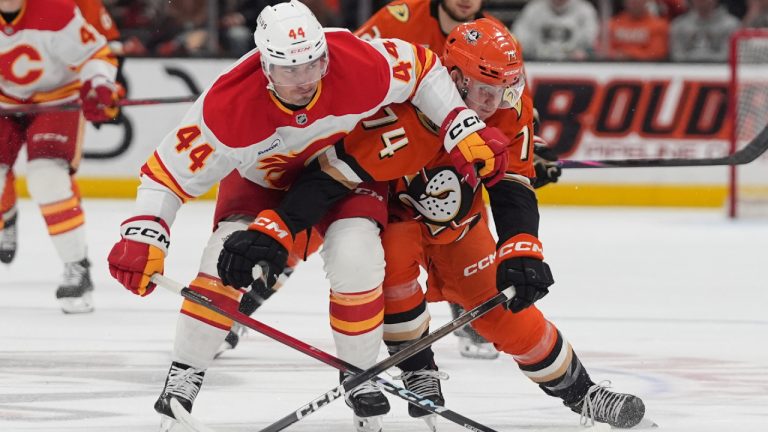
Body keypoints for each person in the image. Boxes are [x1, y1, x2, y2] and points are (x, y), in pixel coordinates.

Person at [106, 1, 507, 430]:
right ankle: (185, 373)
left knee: (359, 258)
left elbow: (424, 68)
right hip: (264, 184)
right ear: (264, 66)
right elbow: (164, 175)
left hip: (345, 173)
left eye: (314, 65)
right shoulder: (227, 107)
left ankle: (359, 374)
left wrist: (461, 126)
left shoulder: (355, 61)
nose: (304, 81)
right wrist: (145, 236)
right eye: (290, 70)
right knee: (222, 265)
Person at [237, 18, 648, 429]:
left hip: (460, 225)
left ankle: (582, 392)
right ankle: (419, 368)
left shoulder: (509, 104)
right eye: (486, 90)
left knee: (508, 314)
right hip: (392, 215)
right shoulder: (397, 108)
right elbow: (329, 179)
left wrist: (522, 244)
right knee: (387, 265)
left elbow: (512, 185)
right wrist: (276, 227)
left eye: (506, 89)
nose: (495, 104)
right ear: (453, 79)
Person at [219, 0, 564, 361]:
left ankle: (469, 316)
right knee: (310, 224)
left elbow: (512, 106)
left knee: (460, 214)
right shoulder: (400, 18)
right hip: (377, 147)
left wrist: (530, 146)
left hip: (446, 151)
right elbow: (347, 67)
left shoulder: (495, 40)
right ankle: (242, 308)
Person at [0, 0, 119, 313]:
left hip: (58, 100)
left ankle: (76, 265)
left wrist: (98, 84)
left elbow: (96, 55)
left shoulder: (57, 9)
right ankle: (6, 214)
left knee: (46, 178)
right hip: (2, 103)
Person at [512, 0, 600, 61]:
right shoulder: (533, 9)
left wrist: (583, 52)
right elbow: (519, 38)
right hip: (539, 62)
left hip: (573, 65)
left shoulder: (585, 10)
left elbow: (591, 39)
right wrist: (534, 53)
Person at [669, 0, 740, 62]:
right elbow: (677, 55)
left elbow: (728, 55)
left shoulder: (731, 25)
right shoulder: (678, 25)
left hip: (721, 73)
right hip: (686, 73)